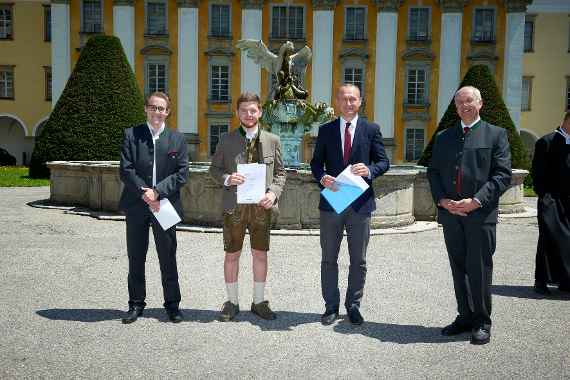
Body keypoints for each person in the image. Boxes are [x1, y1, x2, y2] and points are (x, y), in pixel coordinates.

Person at [427, 86, 512, 345]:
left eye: (469, 100)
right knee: (459, 268)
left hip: (479, 215)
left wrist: (475, 201)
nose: (464, 105)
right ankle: (464, 316)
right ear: (455, 107)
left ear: (480, 103)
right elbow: (433, 172)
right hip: (451, 215)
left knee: (479, 269)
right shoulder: (443, 137)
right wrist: (442, 200)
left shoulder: (496, 134)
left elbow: (502, 175)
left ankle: (482, 322)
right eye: (459, 102)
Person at [310, 84, 390, 326]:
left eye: (353, 99)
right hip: (332, 203)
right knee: (328, 258)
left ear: (360, 102)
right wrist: (322, 178)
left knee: (359, 260)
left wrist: (370, 170)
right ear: (337, 101)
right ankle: (331, 306)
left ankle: (353, 305)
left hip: (360, 205)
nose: (348, 103)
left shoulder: (371, 129)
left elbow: (384, 162)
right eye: (344, 99)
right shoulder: (326, 130)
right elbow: (316, 164)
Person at [209, 92, 286, 322]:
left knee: (260, 254)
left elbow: (280, 174)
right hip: (235, 207)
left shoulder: (273, 140)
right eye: (244, 110)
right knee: (232, 255)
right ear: (237, 113)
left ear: (260, 111)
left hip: (262, 207)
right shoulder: (226, 139)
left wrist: (273, 193)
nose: (249, 114)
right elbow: (214, 170)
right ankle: (232, 302)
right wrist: (226, 178)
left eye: (253, 110)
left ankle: (259, 301)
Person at [118, 92, 189, 324]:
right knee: (136, 257)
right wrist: (144, 192)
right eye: (153, 107)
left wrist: (157, 192)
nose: (157, 112)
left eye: (162, 109)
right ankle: (136, 304)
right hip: (137, 205)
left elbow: (182, 173)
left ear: (168, 112)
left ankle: (172, 305)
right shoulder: (132, 134)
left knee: (168, 257)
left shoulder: (177, 139)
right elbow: (126, 170)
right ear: (146, 109)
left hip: (165, 204)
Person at [532, 111, 570, 295]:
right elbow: (538, 175)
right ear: (566, 121)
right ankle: (541, 281)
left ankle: (565, 279)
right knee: (548, 239)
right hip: (552, 200)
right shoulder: (546, 142)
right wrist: (545, 198)